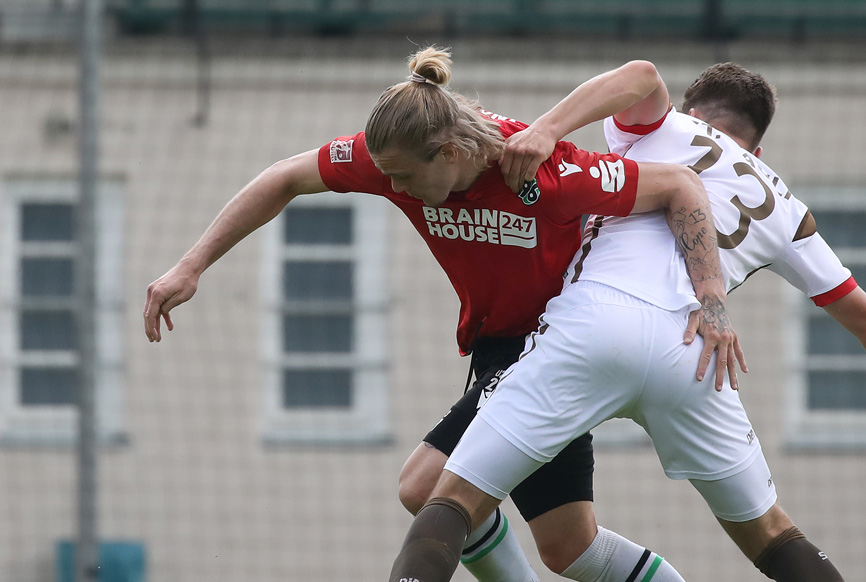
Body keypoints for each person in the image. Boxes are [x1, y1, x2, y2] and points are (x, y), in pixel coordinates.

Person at [143, 47, 744, 582]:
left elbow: (665, 144)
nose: (393, 185)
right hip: (498, 349)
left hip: (556, 349)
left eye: (404, 176)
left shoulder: (541, 171)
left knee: (424, 486)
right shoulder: (394, 160)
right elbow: (284, 177)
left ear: (452, 152)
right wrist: (191, 265)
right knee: (571, 548)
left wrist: (710, 300)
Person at [388, 61, 866, 582]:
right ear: (758, 153)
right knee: (772, 536)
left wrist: (547, 130)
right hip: (697, 352)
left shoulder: (659, 128)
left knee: (450, 500)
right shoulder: (785, 208)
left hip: (594, 325)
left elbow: (638, 73)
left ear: (692, 114)